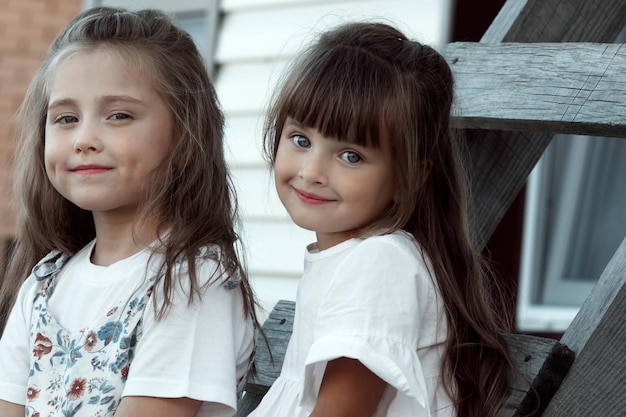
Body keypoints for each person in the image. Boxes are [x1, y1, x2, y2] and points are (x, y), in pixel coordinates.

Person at [0, 7, 259, 417]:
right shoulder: (44, 284)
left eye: (118, 115)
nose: (84, 139)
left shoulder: (191, 283)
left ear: (184, 132)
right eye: (66, 118)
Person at [249, 22, 513, 417]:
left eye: (350, 155)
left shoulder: (379, 265)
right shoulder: (354, 259)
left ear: (407, 178)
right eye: (301, 140)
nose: (311, 171)